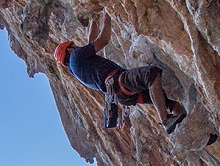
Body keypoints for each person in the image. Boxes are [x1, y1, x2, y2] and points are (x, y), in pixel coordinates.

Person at [53, 12, 186, 132]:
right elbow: (102, 41)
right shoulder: (76, 56)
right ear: (69, 50)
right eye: (74, 46)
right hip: (120, 81)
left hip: (121, 96)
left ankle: (187, 127)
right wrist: (108, 15)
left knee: (164, 100)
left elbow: (91, 43)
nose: (76, 46)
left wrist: (94, 20)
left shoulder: (77, 68)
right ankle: (166, 120)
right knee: (151, 74)